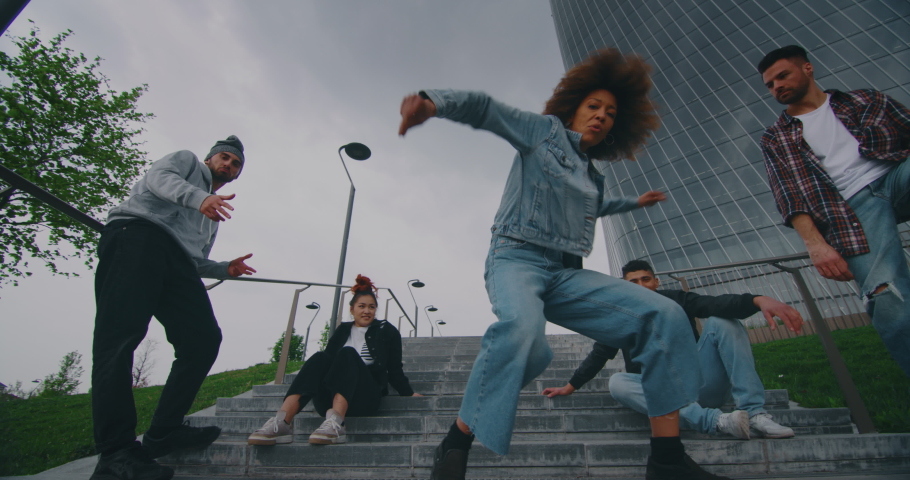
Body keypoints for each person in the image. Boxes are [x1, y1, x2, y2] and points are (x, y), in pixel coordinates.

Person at [400, 48, 731, 480]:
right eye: (594, 106)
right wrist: (432, 103)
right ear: (573, 108)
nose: (601, 116)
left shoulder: (592, 177)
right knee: (526, 338)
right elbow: (487, 109)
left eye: (610, 114)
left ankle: (667, 459)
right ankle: (456, 441)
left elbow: (597, 207)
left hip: (562, 273)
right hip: (515, 257)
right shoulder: (543, 133)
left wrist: (634, 202)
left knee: (664, 314)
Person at [90, 136, 257, 480]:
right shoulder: (186, 162)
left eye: (235, 164)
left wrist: (224, 268)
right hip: (137, 236)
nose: (228, 165)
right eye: (224, 158)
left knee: (202, 340)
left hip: (178, 263)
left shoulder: (212, 216)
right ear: (210, 159)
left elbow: (196, 260)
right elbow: (158, 179)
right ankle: (115, 452)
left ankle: (164, 431)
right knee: (119, 339)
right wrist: (200, 198)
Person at [757, 45, 910, 378]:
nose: (777, 86)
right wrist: (816, 245)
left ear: (807, 68)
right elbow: (789, 195)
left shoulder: (864, 100)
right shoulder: (776, 137)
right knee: (887, 299)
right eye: (770, 84)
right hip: (851, 210)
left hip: (895, 174)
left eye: (782, 76)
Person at [543, 259, 802, 440]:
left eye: (646, 279)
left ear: (656, 282)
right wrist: (570, 386)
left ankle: (754, 413)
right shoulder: (620, 317)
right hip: (663, 395)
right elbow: (600, 353)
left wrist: (756, 300)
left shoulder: (676, 299)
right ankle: (716, 421)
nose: (641, 286)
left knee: (723, 322)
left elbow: (713, 304)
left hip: (700, 384)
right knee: (618, 382)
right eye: (633, 282)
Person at [247, 275, 421, 446]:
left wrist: (408, 393)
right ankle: (282, 422)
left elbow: (394, 368)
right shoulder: (343, 330)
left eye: (371, 307)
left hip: (365, 398)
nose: (367, 311)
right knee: (320, 357)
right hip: (328, 401)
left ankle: (336, 424)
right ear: (352, 309)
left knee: (348, 353)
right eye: (361, 306)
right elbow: (325, 365)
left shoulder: (386, 330)